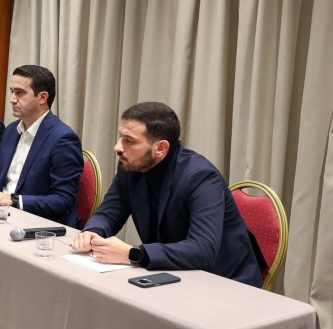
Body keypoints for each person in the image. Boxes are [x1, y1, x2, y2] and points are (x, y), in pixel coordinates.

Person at [71, 101, 265, 287]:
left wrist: (133, 254)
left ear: (161, 148)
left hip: (225, 281)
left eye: (129, 141)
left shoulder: (201, 178)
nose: (118, 147)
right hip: (172, 273)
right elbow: (110, 211)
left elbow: (202, 250)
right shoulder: (131, 167)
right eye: (121, 137)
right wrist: (93, 231)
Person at [0, 65, 83, 227]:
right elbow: (0, 178)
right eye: (12, 92)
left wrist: (13, 200)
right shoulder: (11, 130)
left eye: (19, 93)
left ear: (42, 97)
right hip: (1, 215)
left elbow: (63, 201)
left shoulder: (62, 139)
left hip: (38, 225)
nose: (12, 99)